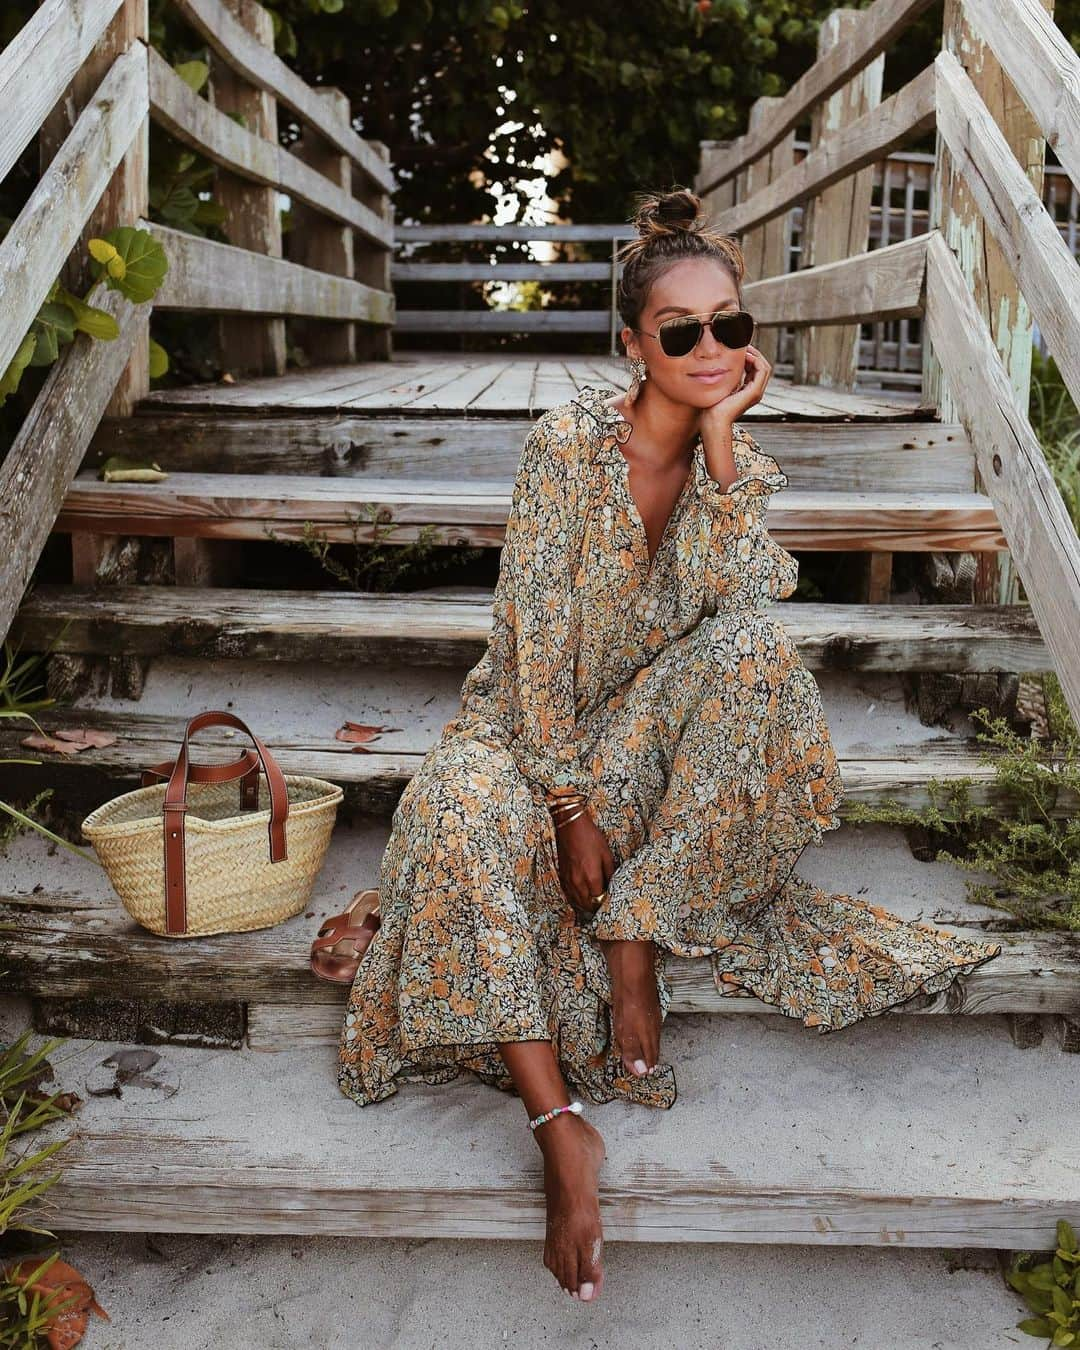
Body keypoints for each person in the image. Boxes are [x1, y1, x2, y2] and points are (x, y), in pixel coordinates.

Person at [335, 186, 1003, 1303]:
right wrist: (565, 807)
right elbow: (535, 647)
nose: (710, 347)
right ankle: (561, 1133)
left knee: (756, 656)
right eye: (682, 330)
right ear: (634, 344)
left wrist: (724, 442)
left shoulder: (732, 463)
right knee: (462, 815)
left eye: (730, 325)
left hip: (649, 728)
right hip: (526, 726)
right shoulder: (565, 448)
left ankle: (634, 936)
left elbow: (741, 603)